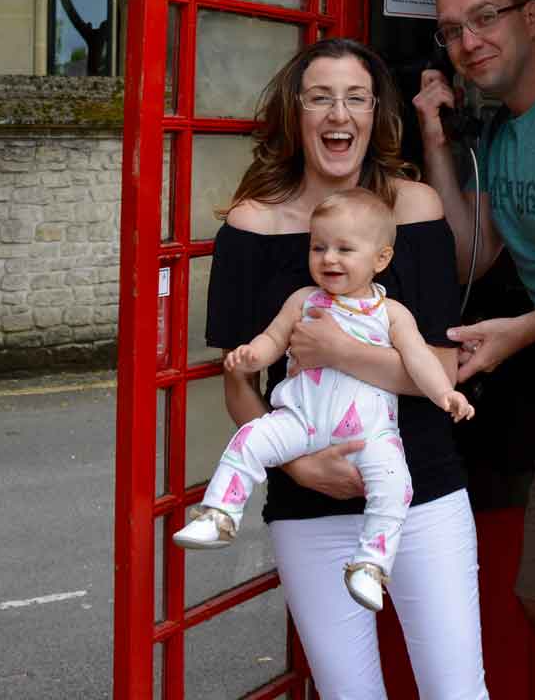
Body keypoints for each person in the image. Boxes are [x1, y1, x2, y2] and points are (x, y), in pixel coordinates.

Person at [205, 38, 490, 700]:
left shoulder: (413, 208)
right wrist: (298, 466)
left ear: (375, 113)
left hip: (423, 493)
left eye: (356, 98)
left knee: (456, 692)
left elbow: (441, 366)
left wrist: (335, 350)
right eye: (322, 98)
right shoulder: (252, 226)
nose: (340, 113)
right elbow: (238, 379)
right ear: (296, 113)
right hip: (310, 505)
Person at [177, 189, 475, 614]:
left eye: (344, 249)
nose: (329, 258)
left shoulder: (391, 312)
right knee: (250, 439)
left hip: (370, 434)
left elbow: (421, 362)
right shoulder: (302, 300)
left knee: (395, 486)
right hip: (301, 421)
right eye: (319, 247)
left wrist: (446, 394)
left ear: (381, 259)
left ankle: (371, 564)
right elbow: (273, 339)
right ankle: (220, 513)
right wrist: (251, 356)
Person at [412, 0, 535, 649]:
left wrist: (519, 333)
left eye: (484, 18)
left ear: (531, 18)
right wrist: (438, 139)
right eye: (450, 31)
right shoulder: (501, 134)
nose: (467, 42)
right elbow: (472, 251)